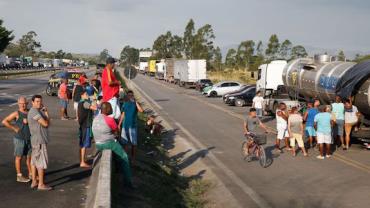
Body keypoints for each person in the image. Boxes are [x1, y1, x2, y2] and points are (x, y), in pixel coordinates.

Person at [92, 102, 133, 187]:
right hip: (108, 143)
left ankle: (118, 169)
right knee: (124, 157)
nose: (111, 109)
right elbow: (116, 132)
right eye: (110, 108)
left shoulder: (96, 118)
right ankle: (128, 182)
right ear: (106, 109)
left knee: (117, 154)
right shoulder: (110, 120)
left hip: (98, 143)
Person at [2, 96, 32, 182]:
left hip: (30, 138)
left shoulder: (30, 112)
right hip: (20, 139)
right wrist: (14, 128)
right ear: (18, 104)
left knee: (29, 157)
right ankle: (19, 176)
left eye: (24, 103)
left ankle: (31, 174)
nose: (23, 105)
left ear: (27, 103)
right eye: (21, 104)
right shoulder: (17, 113)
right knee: (19, 157)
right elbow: (4, 121)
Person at [28, 95, 52, 191]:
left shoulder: (38, 111)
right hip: (39, 141)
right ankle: (41, 184)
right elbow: (46, 124)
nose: (39, 103)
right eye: (37, 101)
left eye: (40, 101)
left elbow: (46, 124)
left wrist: (45, 114)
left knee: (34, 161)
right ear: (32, 102)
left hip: (36, 140)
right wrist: (47, 114)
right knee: (41, 162)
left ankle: (34, 181)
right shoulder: (34, 112)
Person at [118, 90, 144, 163]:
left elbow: (141, 111)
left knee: (134, 143)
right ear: (127, 96)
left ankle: (133, 158)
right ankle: (125, 158)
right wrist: (119, 124)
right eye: (129, 95)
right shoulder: (125, 104)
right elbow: (123, 114)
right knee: (125, 143)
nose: (130, 97)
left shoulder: (135, 104)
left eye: (132, 95)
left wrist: (135, 102)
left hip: (133, 126)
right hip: (125, 126)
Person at [78, 90, 97, 168]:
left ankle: (83, 160)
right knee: (84, 144)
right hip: (86, 125)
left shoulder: (80, 102)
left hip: (83, 125)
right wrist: (94, 100)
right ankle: (82, 161)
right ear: (82, 95)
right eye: (85, 94)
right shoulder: (85, 103)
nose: (87, 95)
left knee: (83, 143)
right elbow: (94, 108)